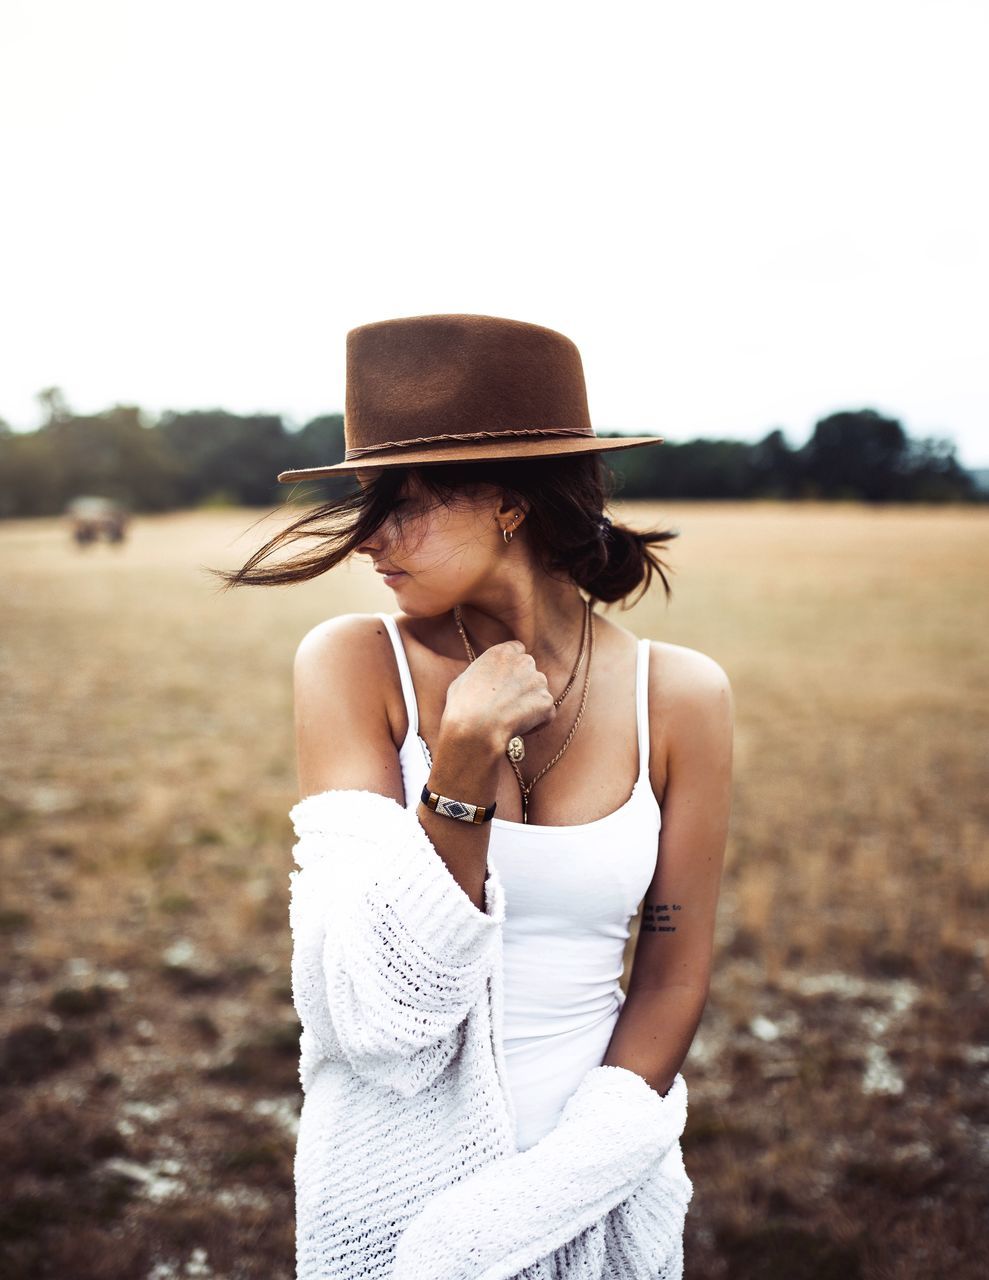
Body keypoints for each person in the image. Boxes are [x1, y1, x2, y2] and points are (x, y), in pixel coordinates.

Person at [217, 314, 734, 1278]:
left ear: (505, 500)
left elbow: (671, 976)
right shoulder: (353, 664)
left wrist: (540, 1199)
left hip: (593, 1190)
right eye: (366, 502)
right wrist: (457, 763)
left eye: (399, 503)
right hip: (389, 1202)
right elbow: (369, 1014)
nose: (368, 541)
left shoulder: (682, 695)